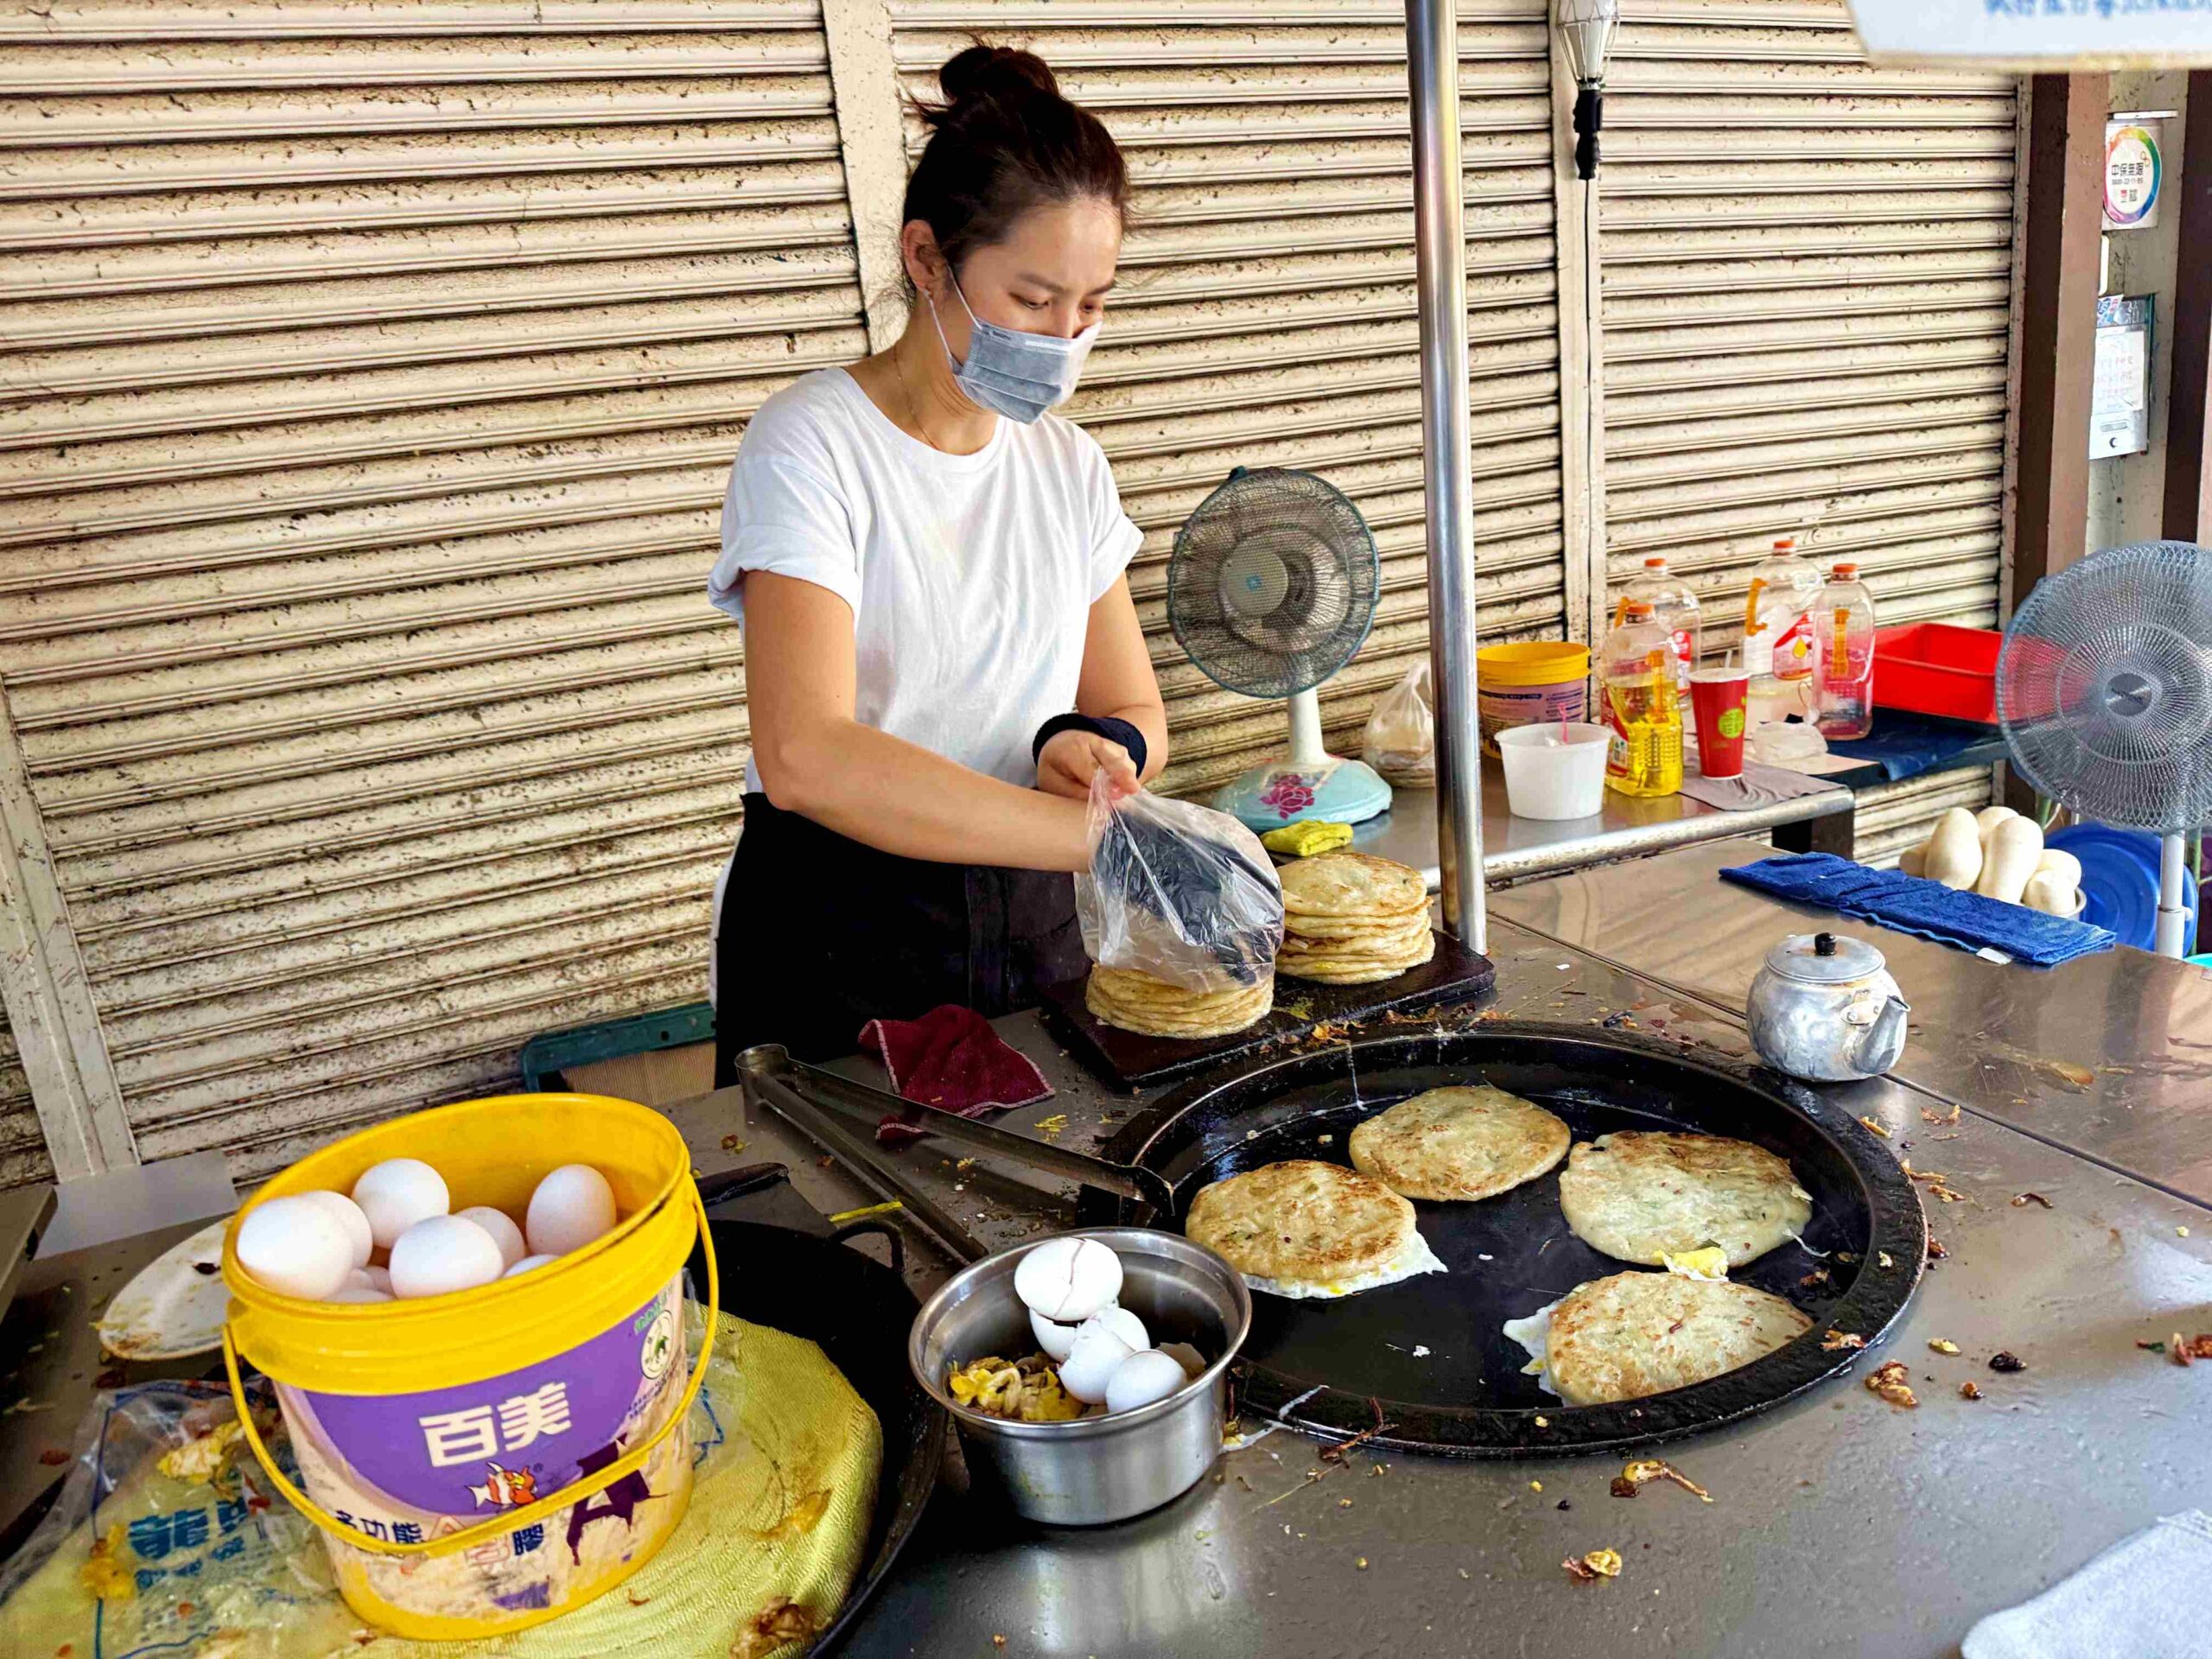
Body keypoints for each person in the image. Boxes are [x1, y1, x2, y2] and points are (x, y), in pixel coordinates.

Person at [708, 44, 1165, 1073]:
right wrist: (1102, 843)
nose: (1064, 337)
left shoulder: (1068, 465)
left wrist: (1100, 757)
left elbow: (1134, 707)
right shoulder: (813, 442)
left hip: (1033, 922)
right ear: (927, 259)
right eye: (1033, 299)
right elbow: (806, 755)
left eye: (1091, 305)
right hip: (843, 930)